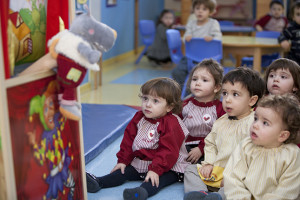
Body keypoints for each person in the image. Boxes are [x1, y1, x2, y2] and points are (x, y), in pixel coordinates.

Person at [86, 77, 190, 200]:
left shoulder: (171, 123)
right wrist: (123, 161)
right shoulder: (139, 117)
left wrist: (156, 170)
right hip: (144, 162)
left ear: (169, 107)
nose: (148, 104)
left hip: (169, 166)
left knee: (157, 179)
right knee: (123, 172)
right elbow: (128, 140)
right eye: (145, 98)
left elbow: (168, 151)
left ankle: (140, 192)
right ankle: (99, 182)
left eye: (155, 101)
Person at [183, 67, 265, 200]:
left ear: (252, 100)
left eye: (235, 94)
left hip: (239, 174)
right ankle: (199, 193)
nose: (227, 99)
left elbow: (256, 155)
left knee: (244, 185)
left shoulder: (254, 123)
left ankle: (219, 196)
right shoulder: (221, 121)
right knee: (190, 170)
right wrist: (208, 163)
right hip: (218, 171)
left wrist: (234, 176)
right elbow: (210, 143)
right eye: (225, 93)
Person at [223, 94, 300, 199]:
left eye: (265, 123)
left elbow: (287, 190)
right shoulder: (246, 145)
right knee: (224, 191)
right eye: (255, 118)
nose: (255, 125)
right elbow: (233, 177)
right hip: (243, 197)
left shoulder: (292, 155)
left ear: (282, 135)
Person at [181, 59, 225, 164]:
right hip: (185, 146)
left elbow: (220, 134)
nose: (198, 83)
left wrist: (202, 148)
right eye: (195, 79)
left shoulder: (220, 108)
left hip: (209, 148)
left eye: (204, 80)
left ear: (216, 87)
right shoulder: (184, 105)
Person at [171, 0, 222, 90]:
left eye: (204, 9)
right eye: (197, 8)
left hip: (209, 59)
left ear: (210, 12)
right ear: (193, 10)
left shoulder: (213, 23)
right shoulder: (191, 24)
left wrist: (212, 38)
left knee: (212, 75)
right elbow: (185, 38)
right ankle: (186, 90)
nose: (200, 11)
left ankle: (208, 91)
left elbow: (218, 38)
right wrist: (186, 37)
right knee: (177, 71)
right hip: (191, 58)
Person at [264, 58, 300, 147]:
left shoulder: (296, 109)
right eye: (272, 75)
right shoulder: (262, 103)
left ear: (295, 86)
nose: (275, 79)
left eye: (283, 77)